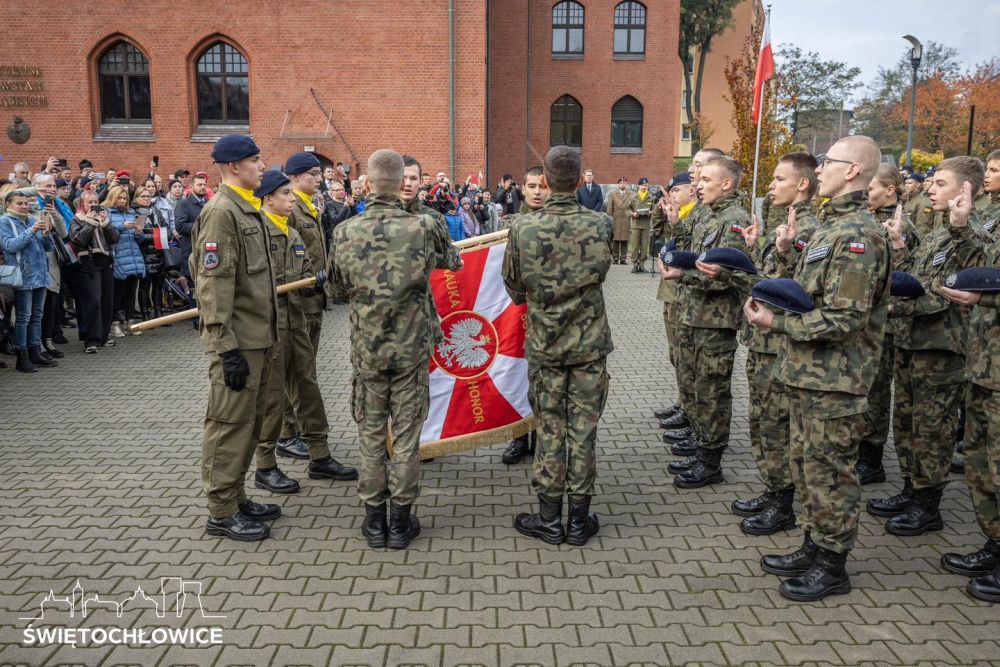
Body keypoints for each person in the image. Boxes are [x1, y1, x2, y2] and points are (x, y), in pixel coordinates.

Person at [745, 135, 890, 601]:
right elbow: (813, 290)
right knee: (807, 465)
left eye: (829, 161)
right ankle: (813, 544)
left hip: (836, 379)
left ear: (852, 171)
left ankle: (832, 564)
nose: (820, 168)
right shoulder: (832, 226)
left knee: (831, 473)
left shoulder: (859, 236)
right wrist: (788, 254)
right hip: (808, 372)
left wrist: (777, 323)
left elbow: (846, 318)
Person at [330, 148, 450, 550]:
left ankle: (373, 519)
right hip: (412, 349)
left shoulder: (345, 231)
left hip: (368, 349)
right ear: (402, 184)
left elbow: (336, 288)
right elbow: (452, 261)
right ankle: (400, 520)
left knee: (370, 434)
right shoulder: (424, 226)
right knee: (406, 436)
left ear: (366, 184)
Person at [873, 157, 991, 538]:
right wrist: (899, 247)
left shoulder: (971, 236)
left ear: (965, 190)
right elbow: (921, 278)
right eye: (933, 182)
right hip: (913, 341)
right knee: (907, 422)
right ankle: (911, 488)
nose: (930, 188)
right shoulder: (941, 232)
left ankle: (928, 504)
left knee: (932, 429)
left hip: (941, 347)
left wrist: (895, 307)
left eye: (941, 183)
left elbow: (950, 292)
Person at [502, 146, 613, 547]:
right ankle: (579, 521)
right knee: (583, 431)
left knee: (550, 429)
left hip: (546, 344)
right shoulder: (600, 224)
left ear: (546, 182)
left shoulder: (522, 227)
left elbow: (514, 285)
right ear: (581, 178)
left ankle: (550, 520)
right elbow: (603, 271)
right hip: (589, 345)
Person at [191, 134, 279, 542]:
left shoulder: (246, 208)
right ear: (234, 167)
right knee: (228, 424)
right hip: (237, 342)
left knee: (249, 423)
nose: (262, 167)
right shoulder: (221, 212)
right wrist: (225, 348)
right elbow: (213, 285)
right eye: (255, 160)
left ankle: (237, 495)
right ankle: (221, 511)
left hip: (256, 338)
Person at [728, 152, 821, 535]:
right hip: (763, 341)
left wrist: (784, 251)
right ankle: (773, 490)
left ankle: (782, 503)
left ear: (802, 183)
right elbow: (768, 278)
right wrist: (755, 249)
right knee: (763, 420)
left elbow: (798, 291)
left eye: (780, 178)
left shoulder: (807, 229)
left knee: (776, 425)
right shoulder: (787, 224)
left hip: (779, 343)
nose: (771, 185)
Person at [252, 169, 358, 496]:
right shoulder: (255, 233)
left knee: (307, 386)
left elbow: (305, 275)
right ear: (268, 198)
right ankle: (265, 465)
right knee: (272, 395)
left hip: (296, 320)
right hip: (269, 325)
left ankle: (319, 455)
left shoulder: (293, 234)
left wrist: (318, 282)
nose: (291, 200)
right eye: (285, 194)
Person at [660, 155, 749, 488]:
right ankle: (701, 445)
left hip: (715, 321)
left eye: (706, 180)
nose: (698, 185)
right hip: (695, 315)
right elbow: (696, 256)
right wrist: (676, 225)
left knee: (712, 392)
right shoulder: (710, 215)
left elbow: (729, 276)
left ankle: (711, 462)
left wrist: (683, 276)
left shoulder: (734, 220)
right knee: (698, 386)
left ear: (726, 184)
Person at [938, 202, 1000, 604]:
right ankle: (995, 544)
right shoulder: (994, 220)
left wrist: (985, 298)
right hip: (984, 367)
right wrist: (961, 228)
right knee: (981, 465)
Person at [656, 148, 726, 444]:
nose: (693, 170)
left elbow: (717, 269)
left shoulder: (721, 216)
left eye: (699, 166)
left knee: (706, 378)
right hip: (690, 301)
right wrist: (674, 222)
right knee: (685, 363)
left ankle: (704, 440)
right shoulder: (704, 213)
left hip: (708, 312)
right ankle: (692, 419)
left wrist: (684, 275)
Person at [856, 166, 919, 488]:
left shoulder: (900, 224)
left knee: (877, 392)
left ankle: (872, 459)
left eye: (871, 188)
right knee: (864, 388)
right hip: (866, 318)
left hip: (888, 323)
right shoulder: (867, 220)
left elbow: (908, 275)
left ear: (890, 190)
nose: (865, 193)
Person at [273, 153, 328, 461]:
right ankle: (286, 433)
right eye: (312, 174)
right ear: (294, 178)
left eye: (319, 173)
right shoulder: (290, 209)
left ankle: (295, 429)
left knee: (304, 371)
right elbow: (284, 259)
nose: (319, 178)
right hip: (298, 302)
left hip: (313, 299)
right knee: (295, 372)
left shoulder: (309, 206)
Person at [499, 166, 549, 465]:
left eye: (542, 186)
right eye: (531, 186)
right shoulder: (511, 224)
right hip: (515, 309)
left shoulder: (558, 222)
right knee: (516, 374)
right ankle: (518, 436)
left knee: (543, 381)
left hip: (547, 315)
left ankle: (543, 437)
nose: (537, 192)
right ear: (523, 189)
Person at [651, 171, 698, 437]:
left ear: (691, 190)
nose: (673, 195)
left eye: (676, 190)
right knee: (675, 353)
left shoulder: (695, 216)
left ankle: (689, 409)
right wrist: (664, 212)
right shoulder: (679, 214)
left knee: (684, 355)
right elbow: (657, 232)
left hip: (684, 292)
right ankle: (683, 402)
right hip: (670, 292)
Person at [0, 187, 56, 372]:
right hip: (23, 275)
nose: (24, 206)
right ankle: (22, 356)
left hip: (41, 274)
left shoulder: (32, 219)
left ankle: (35, 352)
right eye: (19, 203)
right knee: (24, 317)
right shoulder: (5, 221)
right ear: (8, 204)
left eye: (26, 203)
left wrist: (46, 234)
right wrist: (32, 230)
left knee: (37, 316)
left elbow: (48, 248)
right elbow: (10, 246)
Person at [69, 190, 118, 353]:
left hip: (106, 261)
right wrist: (90, 223)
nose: (93, 205)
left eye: (96, 202)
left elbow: (115, 239)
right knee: (93, 300)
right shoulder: (77, 219)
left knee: (107, 299)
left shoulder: (104, 218)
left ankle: (104, 335)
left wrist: (106, 224)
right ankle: (91, 339)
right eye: (89, 202)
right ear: (82, 204)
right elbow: (78, 240)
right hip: (89, 262)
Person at [104, 185, 148, 337]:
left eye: (125, 198)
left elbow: (140, 240)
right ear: (113, 198)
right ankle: (115, 323)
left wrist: (139, 233)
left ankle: (131, 322)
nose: (122, 201)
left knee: (131, 293)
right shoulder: (107, 213)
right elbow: (107, 234)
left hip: (133, 256)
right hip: (118, 257)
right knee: (118, 293)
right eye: (119, 198)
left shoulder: (131, 213)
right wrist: (122, 227)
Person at [135, 188, 169, 321]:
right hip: (144, 255)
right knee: (144, 287)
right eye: (143, 196)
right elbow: (139, 236)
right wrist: (157, 236)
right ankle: (145, 314)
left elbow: (166, 230)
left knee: (158, 286)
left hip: (159, 253)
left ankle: (159, 313)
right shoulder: (136, 214)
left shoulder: (156, 211)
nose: (146, 198)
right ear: (136, 198)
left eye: (148, 196)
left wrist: (159, 235)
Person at [174, 174, 209, 282]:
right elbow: (180, 226)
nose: (203, 187)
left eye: (204, 184)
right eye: (199, 184)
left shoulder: (209, 203)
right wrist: (202, 226)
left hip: (208, 252)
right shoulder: (184, 204)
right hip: (192, 252)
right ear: (191, 186)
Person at [628, 177, 655, 273]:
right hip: (636, 225)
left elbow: (655, 210)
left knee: (644, 246)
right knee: (635, 246)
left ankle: (642, 265)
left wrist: (651, 212)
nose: (644, 187)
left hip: (646, 225)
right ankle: (635, 265)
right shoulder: (633, 197)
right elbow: (627, 209)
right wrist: (633, 214)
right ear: (639, 186)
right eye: (642, 185)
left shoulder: (651, 197)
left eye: (646, 185)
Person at [605, 177, 631, 265]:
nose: (622, 184)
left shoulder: (631, 194)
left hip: (626, 219)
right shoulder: (613, 194)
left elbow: (633, 207)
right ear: (618, 184)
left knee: (625, 240)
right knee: (615, 240)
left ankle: (623, 259)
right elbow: (609, 208)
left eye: (624, 182)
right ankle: (615, 258)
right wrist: (609, 218)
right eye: (621, 182)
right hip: (616, 219)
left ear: (626, 184)